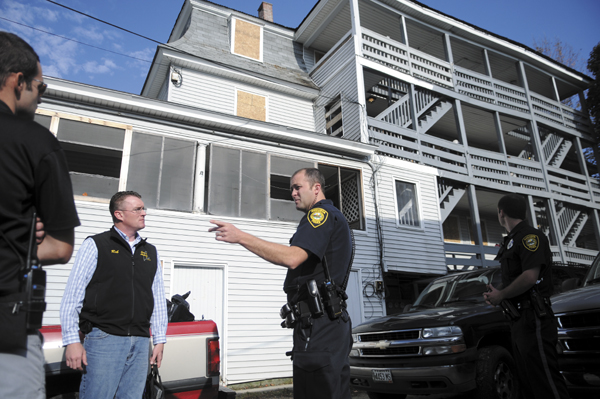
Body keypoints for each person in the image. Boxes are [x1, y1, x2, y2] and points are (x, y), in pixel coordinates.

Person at [210, 168, 353, 399]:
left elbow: (292, 257)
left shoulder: (320, 215)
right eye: (291, 189)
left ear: (316, 188)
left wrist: (241, 236)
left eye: (298, 187)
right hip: (326, 325)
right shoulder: (331, 216)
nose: (293, 194)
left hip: (319, 326)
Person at [0, 32, 80, 399]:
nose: (40, 96)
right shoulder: (35, 141)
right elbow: (61, 247)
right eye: (41, 87)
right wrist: (24, 240)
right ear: (18, 82)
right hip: (6, 327)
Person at [60, 191, 168, 399]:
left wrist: (160, 340)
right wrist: (72, 340)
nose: (144, 213)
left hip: (140, 340)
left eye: (143, 208)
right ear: (119, 214)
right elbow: (73, 295)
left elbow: (157, 298)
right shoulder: (96, 245)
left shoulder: (150, 252)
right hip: (104, 339)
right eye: (138, 209)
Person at [484, 194, 568, 399]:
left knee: (545, 381)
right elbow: (517, 276)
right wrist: (497, 293)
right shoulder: (511, 241)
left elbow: (530, 277)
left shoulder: (530, 237)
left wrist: (501, 294)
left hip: (534, 318)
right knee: (528, 382)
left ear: (501, 213)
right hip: (519, 320)